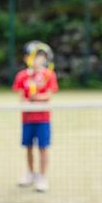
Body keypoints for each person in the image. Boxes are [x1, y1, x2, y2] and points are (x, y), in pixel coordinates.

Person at [12, 47, 58, 192]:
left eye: (40, 57)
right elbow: (20, 96)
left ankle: (42, 177)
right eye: (33, 56)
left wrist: (35, 98)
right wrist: (27, 101)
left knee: (43, 148)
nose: (37, 59)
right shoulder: (22, 76)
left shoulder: (49, 75)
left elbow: (49, 95)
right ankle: (30, 174)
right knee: (28, 147)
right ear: (27, 58)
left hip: (43, 118)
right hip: (27, 118)